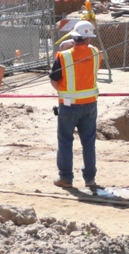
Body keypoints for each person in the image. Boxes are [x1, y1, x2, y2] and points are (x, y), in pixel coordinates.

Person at [49, 20, 103, 189]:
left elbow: (54, 79)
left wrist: (63, 93)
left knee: (65, 141)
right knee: (89, 142)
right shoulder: (96, 53)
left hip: (68, 105)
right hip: (90, 105)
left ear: (74, 37)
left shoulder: (63, 56)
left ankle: (65, 178)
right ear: (88, 39)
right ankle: (90, 179)